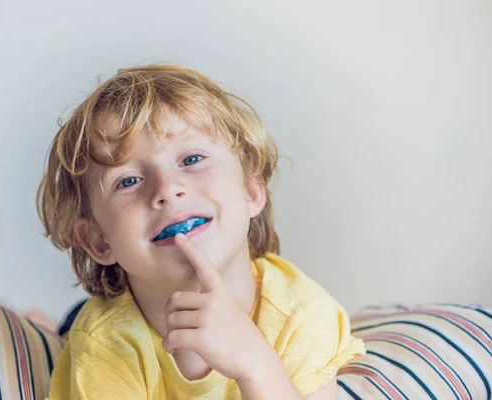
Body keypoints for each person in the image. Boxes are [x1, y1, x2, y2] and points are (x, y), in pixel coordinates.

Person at [37, 64, 365, 399]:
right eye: (129, 181)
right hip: (111, 320)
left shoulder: (302, 314)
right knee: (68, 334)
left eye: (192, 159)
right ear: (98, 240)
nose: (167, 189)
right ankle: (52, 327)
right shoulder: (104, 345)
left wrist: (255, 363)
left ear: (251, 192)